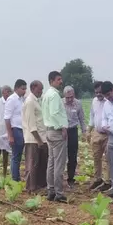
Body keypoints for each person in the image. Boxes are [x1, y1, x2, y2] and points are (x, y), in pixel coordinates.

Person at [41, 71, 68, 202]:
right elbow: (55, 113)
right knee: (59, 164)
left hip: (49, 131)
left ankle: (50, 190)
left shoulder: (46, 95)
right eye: (58, 80)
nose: (60, 82)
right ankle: (58, 192)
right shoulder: (54, 95)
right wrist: (63, 127)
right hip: (56, 132)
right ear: (52, 81)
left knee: (51, 163)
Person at [22, 80, 48, 193]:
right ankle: (31, 188)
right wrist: (39, 141)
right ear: (33, 88)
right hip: (33, 139)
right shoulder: (30, 102)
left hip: (41, 137)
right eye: (39, 89)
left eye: (42, 89)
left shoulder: (37, 101)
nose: (41, 92)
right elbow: (31, 125)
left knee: (40, 164)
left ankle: (39, 186)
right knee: (32, 164)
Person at [87, 81, 111, 192]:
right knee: (96, 157)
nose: (98, 94)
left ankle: (108, 181)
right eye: (96, 92)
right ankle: (98, 179)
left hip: (108, 134)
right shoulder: (94, 101)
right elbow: (92, 116)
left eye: (100, 92)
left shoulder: (109, 101)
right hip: (97, 132)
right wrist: (89, 130)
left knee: (108, 158)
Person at [4, 79, 28, 181]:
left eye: (25, 89)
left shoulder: (21, 99)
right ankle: (15, 178)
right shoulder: (12, 99)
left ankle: (17, 177)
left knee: (18, 156)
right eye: (23, 89)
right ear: (16, 88)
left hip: (22, 130)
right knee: (16, 155)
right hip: (15, 130)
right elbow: (7, 118)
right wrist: (10, 135)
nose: (24, 91)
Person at [63, 85, 86, 186]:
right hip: (62, 131)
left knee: (72, 156)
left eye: (71, 97)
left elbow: (82, 118)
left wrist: (84, 131)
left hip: (73, 131)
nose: (69, 99)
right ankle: (59, 178)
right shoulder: (60, 103)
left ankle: (71, 178)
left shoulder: (78, 103)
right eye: (67, 97)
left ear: (74, 95)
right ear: (64, 96)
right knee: (61, 155)